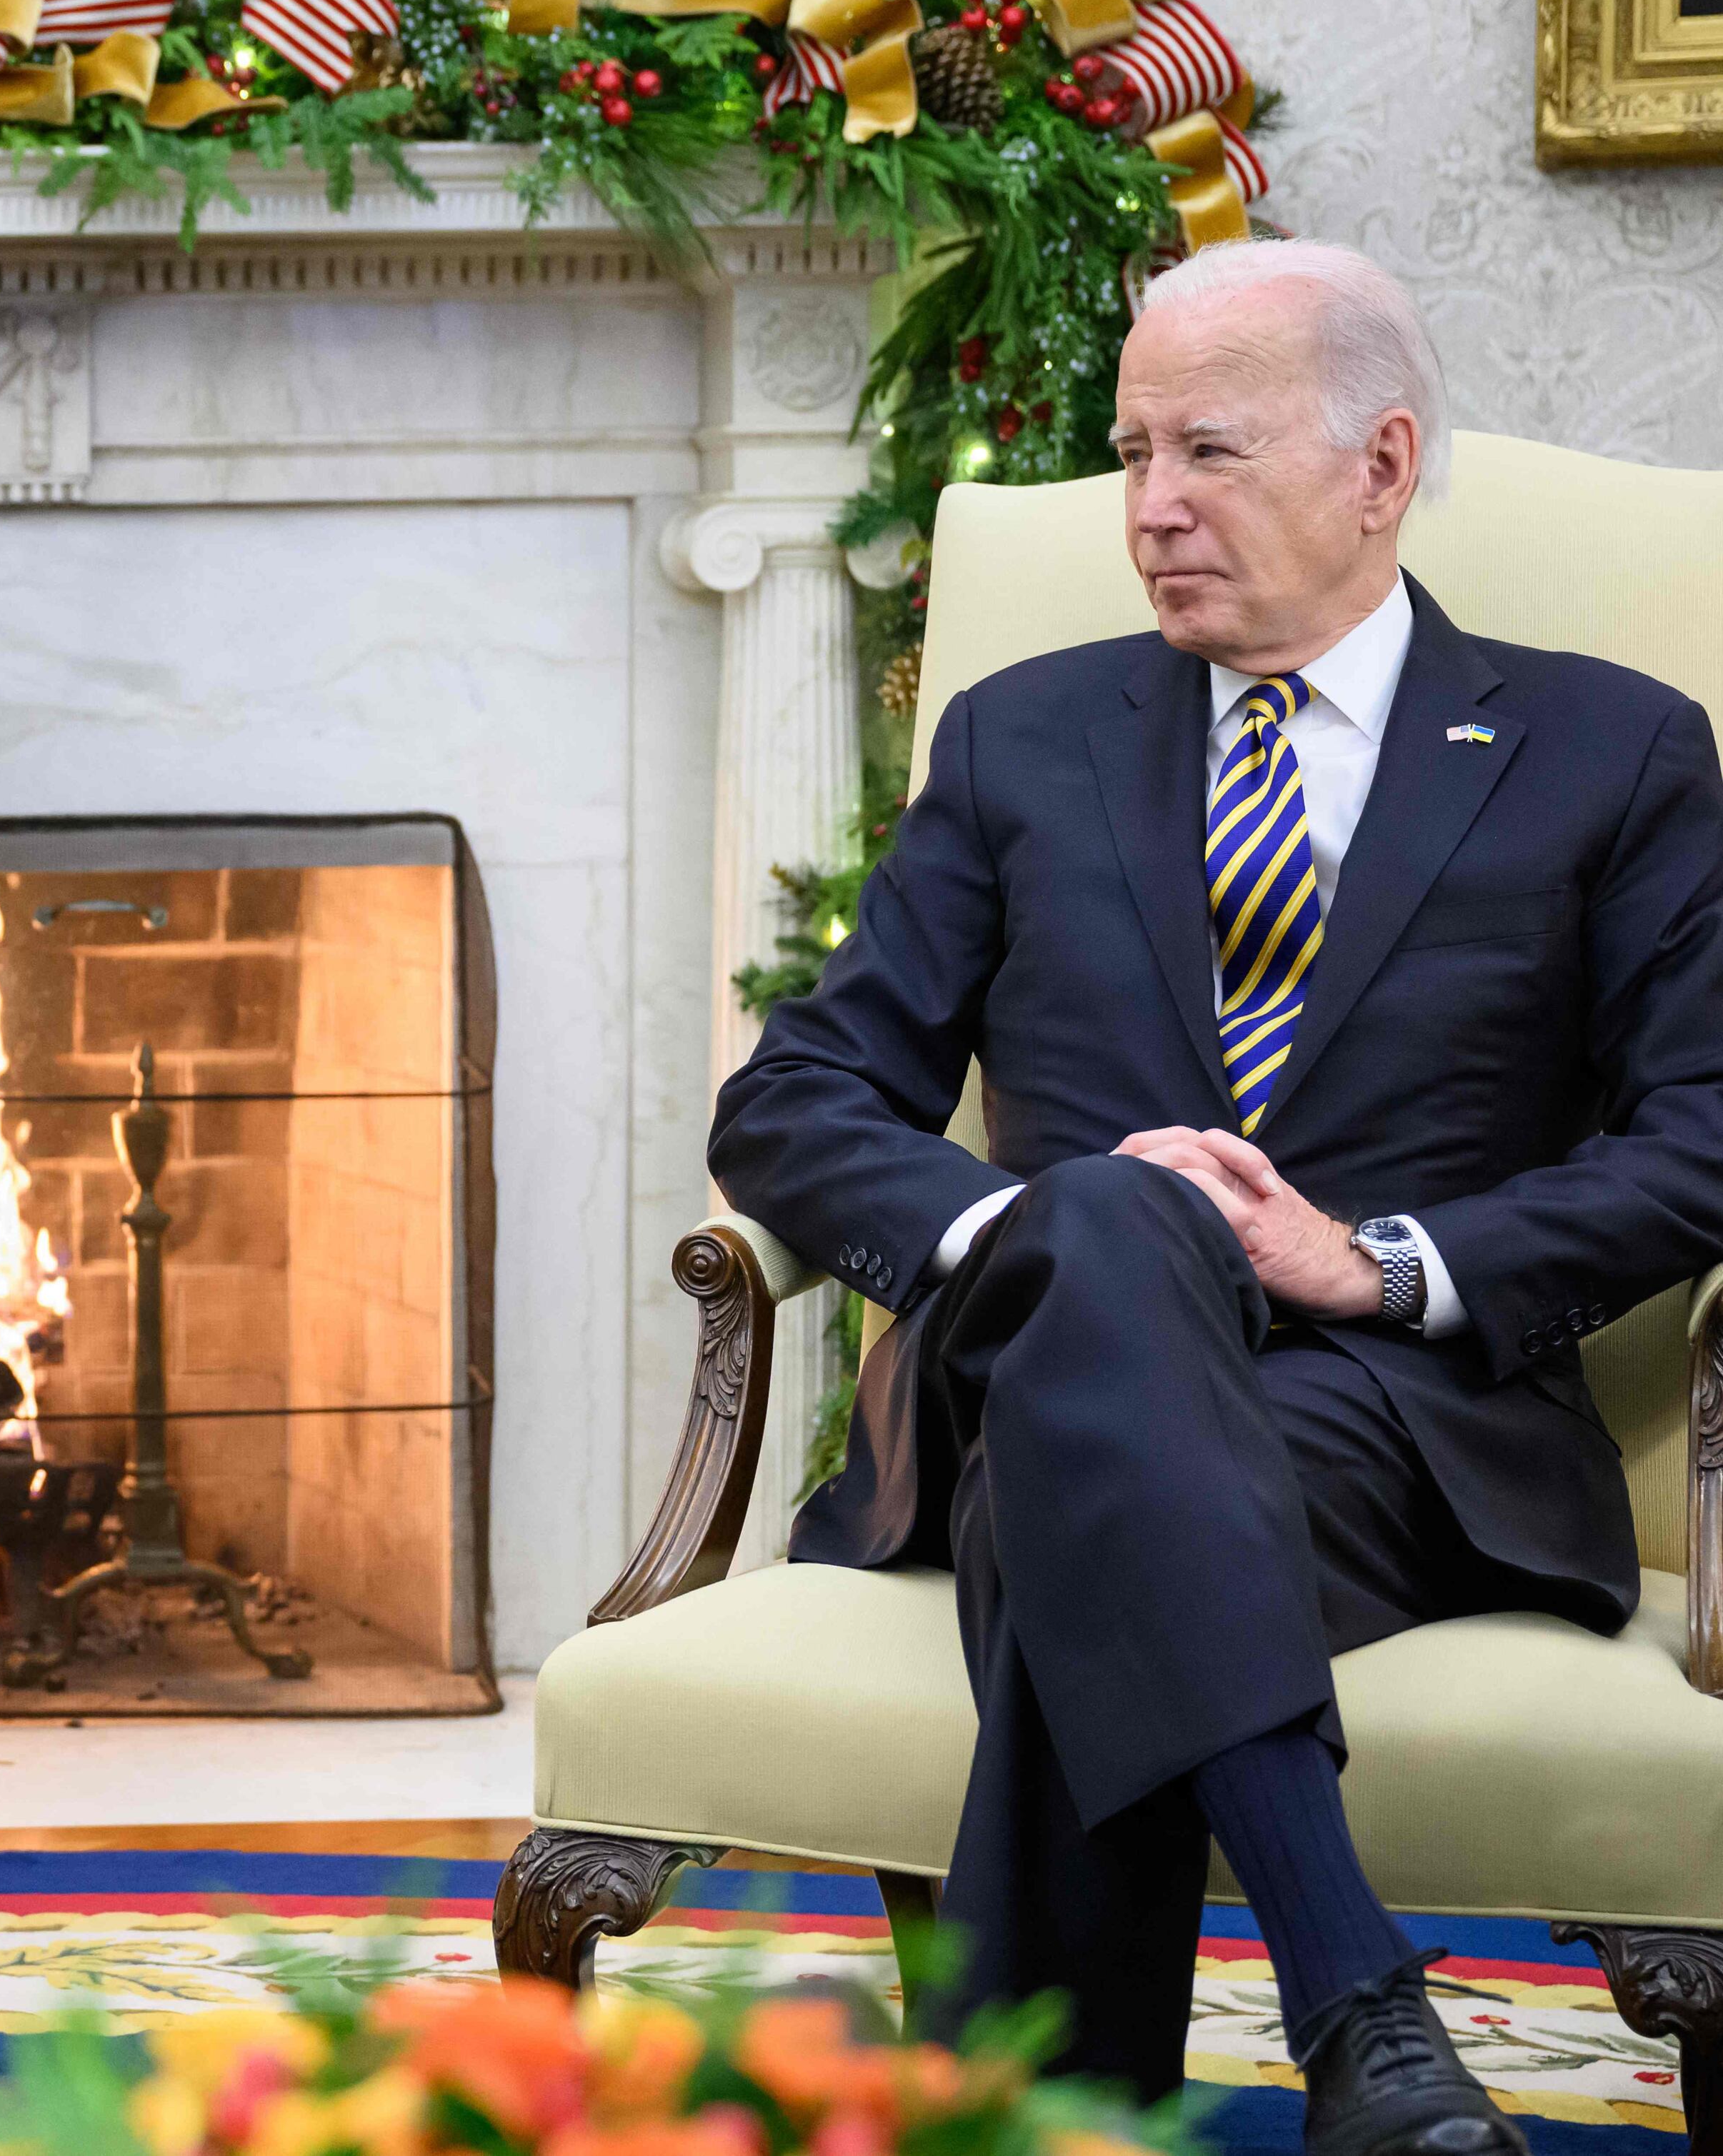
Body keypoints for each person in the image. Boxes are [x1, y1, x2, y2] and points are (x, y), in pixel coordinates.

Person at [712, 239, 1723, 2149]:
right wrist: (1029, 1229)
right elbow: (796, 1099)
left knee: (1090, 1518)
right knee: (1113, 1213)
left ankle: (1044, 2110)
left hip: (1400, 1418)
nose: (1150, 508)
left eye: (1209, 452)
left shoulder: (1612, 750)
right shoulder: (1021, 735)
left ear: (1381, 463)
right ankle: (1361, 2005)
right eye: (1131, 452)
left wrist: (1377, 1261)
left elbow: (1705, 1135)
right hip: (1037, 1346)